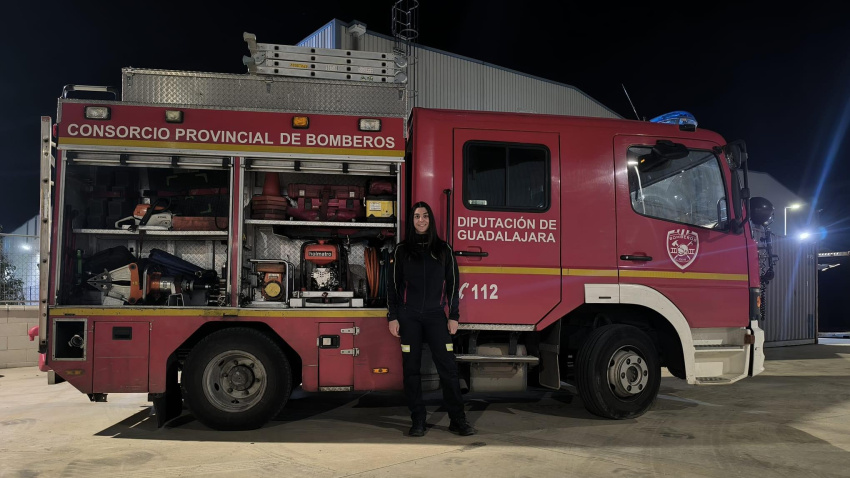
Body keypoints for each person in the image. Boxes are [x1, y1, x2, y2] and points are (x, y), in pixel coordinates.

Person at [387, 201, 476, 437]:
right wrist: (393, 316)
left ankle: (457, 420)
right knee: (411, 370)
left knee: (448, 369)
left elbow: (453, 286)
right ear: (412, 220)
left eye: (425, 216)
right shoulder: (401, 250)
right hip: (409, 317)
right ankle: (418, 420)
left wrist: (454, 316)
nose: (421, 220)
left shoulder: (443, 249)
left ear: (431, 219)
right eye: (416, 216)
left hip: (437, 317)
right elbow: (392, 287)